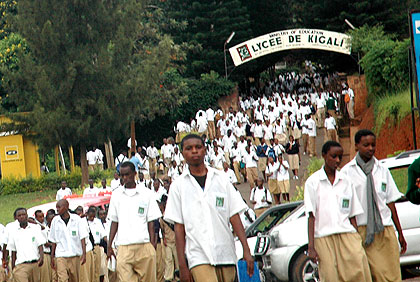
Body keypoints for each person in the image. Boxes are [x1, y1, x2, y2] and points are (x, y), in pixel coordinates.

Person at [164, 134, 254, 282]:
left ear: (205, 150)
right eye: (189, 148)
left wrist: (246, 250)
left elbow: (234, 216)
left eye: (198, 147)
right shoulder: (178, 187)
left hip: (226, 253)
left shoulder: (221, 179)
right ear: (182, 153)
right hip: (198, 256)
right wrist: (182, 265)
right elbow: (179, 228)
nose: (194, 151)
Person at [341, 129, 406, 281]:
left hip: (385, 229)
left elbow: (390, 202)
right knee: (372, 275)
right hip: (363, 231)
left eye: (373, 145)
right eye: (366, 145)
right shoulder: (347, 173)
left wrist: (399, 232)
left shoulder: (382, 170)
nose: (370, 148)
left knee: (393, 275)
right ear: (356, 145)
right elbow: (346, 208)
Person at [305, 141, 372, 281]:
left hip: (347, 234)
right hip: (323, 237)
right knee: (330, 276)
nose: (337, 160)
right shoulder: (313, 182)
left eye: (340, 157)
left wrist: (357, 237)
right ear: (324, 155)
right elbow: (311, 216)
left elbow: (352, 214)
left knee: (358, 268)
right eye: (333, 156)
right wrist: (311, 247)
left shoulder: (346, 181)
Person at [107, 161, 162, 282]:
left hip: (144, 246)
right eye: (122, 175)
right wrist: (109, 244)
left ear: (135, 174)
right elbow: (114, 221)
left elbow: (151, 222)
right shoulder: (116, 195)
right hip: (124, 248)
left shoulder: (147, 193)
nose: (124, 178)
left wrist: (152, 245)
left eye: (127, 174)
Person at [49, 199, 88, 282]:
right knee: (63, 279)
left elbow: (82, 238)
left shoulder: (76, 219)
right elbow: (53, 241)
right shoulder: (55, 221)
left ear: (66, 207)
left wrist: (84, 254)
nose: (57, 209)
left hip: (75, 255)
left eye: (59, 207)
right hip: (61, 256)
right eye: (56, 208)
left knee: (75, 279)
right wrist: (52, 257)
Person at [7, 208, 45, 282]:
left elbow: (40, 244)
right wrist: (13, 267)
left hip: (35, 264)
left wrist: (41, 257)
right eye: (19, 215)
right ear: (16, 218)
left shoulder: (35, 228)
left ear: (27, 216)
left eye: (23, 214)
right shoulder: (13, 232)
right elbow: (13, 251)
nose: (22, 217)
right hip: (21, 265)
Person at [159, 198, 179, 282]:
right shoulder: (162, 218)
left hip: (175, 241)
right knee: (168, 259)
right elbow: (162, 230)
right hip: (168, 240)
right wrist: (164, 239)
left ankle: (178, 276)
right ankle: (168, 277)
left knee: (177, 259)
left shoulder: (174, 215)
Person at [86, 206, 107, 282]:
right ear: (87, 214)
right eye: (90, 216)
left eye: (93, 216)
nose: (92, 218)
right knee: (89, 270)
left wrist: (109, 243)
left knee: (97, 270)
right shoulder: (84, 222)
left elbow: (104, 235)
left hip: (96, 247)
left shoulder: (98, 222)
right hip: (88, 249)